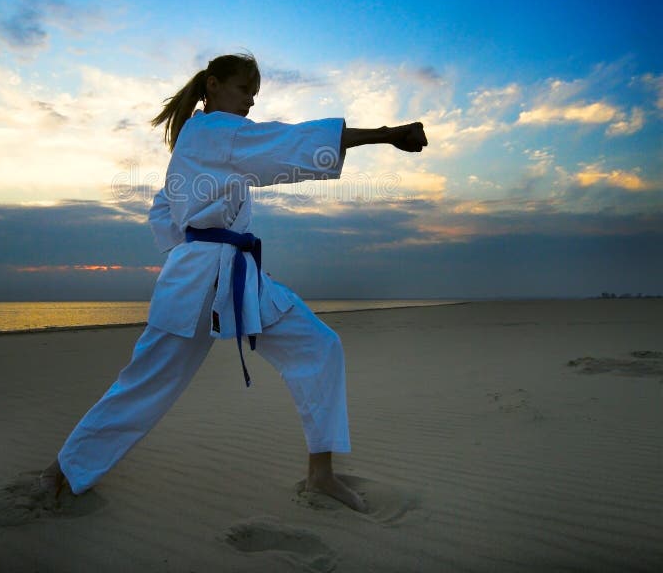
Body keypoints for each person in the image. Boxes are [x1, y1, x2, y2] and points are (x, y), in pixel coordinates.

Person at [41, 53, 427, 511]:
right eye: (244, 90)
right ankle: (61, 471)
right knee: (146, 382)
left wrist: (190, 249)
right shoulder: (211, 132)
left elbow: (163, 210)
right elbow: (285, 139)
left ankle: (321, 476)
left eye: (254, 95)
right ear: (213, 84)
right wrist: (388, 135)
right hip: (203, 280)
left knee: (318, 346)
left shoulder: (197, 143)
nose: (249, 103)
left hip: (231, 278)